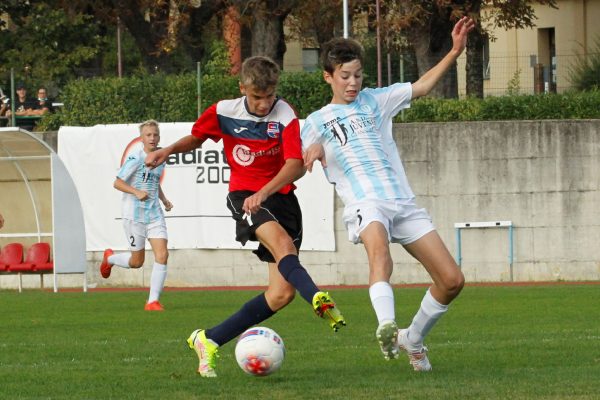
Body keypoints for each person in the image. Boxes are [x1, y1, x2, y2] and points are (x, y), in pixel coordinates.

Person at [144, 56, 345, 378]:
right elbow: (197, 137)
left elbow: (294, 165)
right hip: (244, 196)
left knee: (280, 293)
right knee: (282, 247)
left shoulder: (285, 114)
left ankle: (208, 338)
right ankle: (318, 298)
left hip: (279, 197)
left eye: (269, 96)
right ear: (242, 89)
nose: (264, 104)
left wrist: (265, 192)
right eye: (257, 97)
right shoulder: (224, 111)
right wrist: (166, 151)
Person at [301, 16, 475, 372]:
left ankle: (412, 338)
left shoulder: (376, 100)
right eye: (345, 76)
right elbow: (305, 150)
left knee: (452, 280)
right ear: (328, 77)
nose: (352, 83)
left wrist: (455, 51)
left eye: (358, 75)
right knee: (378, 251)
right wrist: (314, 150)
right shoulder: (316, 120)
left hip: (403, 201)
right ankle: (386, 324)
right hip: (366, 202)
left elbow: (423, 86)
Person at [99, 119, 173, 311]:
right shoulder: (136, 157)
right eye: (148, 135)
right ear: (141, 138)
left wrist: (163, 200)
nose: (152, 138)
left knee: (163, 254)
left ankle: (152, 301)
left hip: (154, 214)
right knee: (136, 262)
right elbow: (117, 183)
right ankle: (110, 259)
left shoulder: (160, 156)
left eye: (155, 134)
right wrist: (136, 192)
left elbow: (154, 181)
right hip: (134, 215)